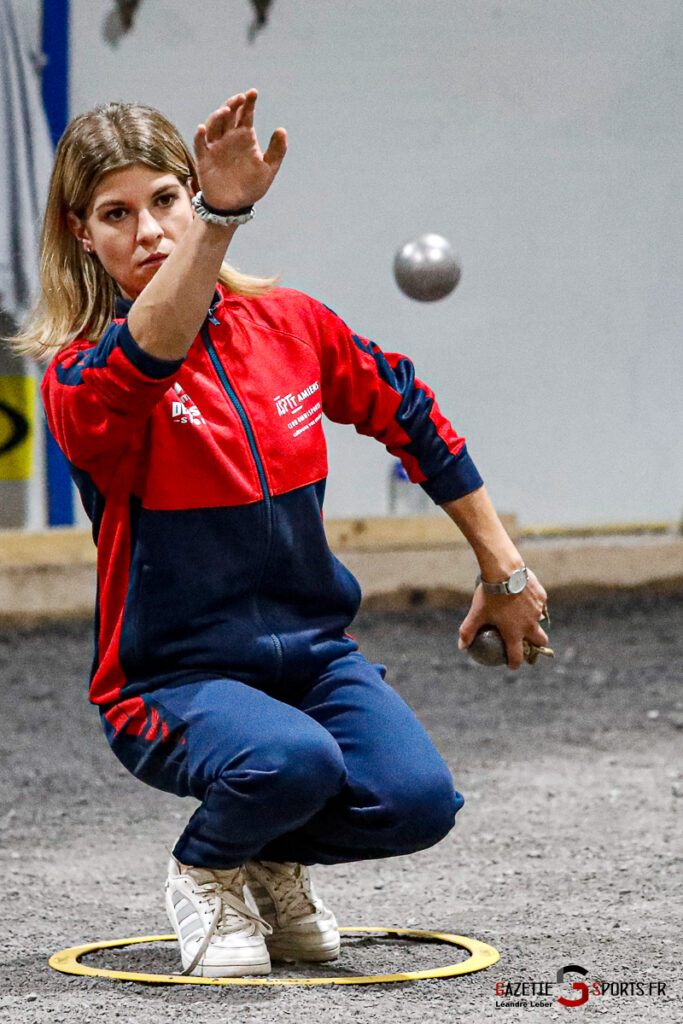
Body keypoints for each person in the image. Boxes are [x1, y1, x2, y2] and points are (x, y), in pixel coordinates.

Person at [16, 91, 549, 978]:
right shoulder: (84, 378)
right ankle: (205, 869)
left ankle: (261, 852)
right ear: (82, 234)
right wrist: (219, 223)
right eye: (117, 213)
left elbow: (408, 412)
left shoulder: (290, 326)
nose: (148, 231)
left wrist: (500, 566)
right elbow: (153, 351)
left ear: (189, 194)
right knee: (291, 759)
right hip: (169, 679)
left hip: (310, 658)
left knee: (417, 802)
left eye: (165, 202)